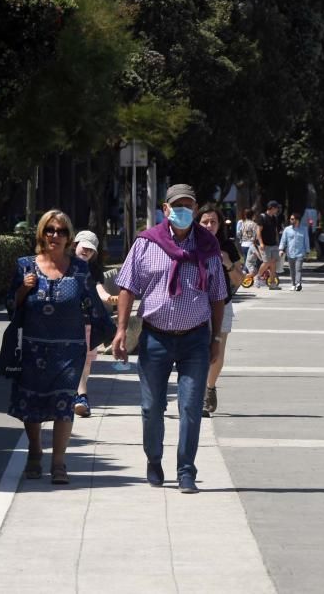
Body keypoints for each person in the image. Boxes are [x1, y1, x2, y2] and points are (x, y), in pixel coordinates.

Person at [112, 184, 227, 493]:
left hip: (195, 340)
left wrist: (216, 337)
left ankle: (186, 470)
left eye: (188, 205)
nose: (182, 211)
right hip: (155, 338)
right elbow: (127, 286)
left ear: (196, 208)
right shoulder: (147, 244)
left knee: (191, 407)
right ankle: (154, 459)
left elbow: (217, 295)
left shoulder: (208, 246)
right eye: (177, 206)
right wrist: (122, 329)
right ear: (165, 209)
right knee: (152, 408)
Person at [6, 211, 114, 484]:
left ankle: (58, 462)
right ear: (41, 233)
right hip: (32, 349)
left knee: (64, 404)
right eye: (50, 230)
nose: (55, 235)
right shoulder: (25, 266)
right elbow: (10, 307)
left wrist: (112, 333)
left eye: (62, 231)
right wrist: (23, 290)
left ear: (69, 236)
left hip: (69, 350)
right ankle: (34, 450)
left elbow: (92, 303)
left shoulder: (79, 268)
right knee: (31, 403)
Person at [196, 204, 241, 418]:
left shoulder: (227, 246)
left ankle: (209, 389)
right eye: (205, 221)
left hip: (222, 304)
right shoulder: (191, 244)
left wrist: (228, 264)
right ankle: (196, 393)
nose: (209, 225)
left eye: (213, 221)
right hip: (195, 305)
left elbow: (240, 280)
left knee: (218, 352)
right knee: (197, 351)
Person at [71, 230, 119, 418]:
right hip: (66, 319)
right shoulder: (64, 264)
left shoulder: (94, 270)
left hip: (88, 319)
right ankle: (81, 396)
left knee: (87, 362)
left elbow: (101, 291)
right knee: (79, 358)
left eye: (91, 250)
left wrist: (111, 298)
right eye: (85, 247)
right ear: (76, 244)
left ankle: (79, 395)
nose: (87, 252)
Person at [279, 212, 310, 291]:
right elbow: (283, 240)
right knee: (292, 270)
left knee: (298, 269)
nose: (290, 220)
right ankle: (293, 284)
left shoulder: (304, 229)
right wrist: (281, 249)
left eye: (292, 219)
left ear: (297, 220)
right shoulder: (287, 229)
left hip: (300, 253)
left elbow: (306, 240)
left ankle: (298, 283)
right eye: (290, 219)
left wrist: (307, 251)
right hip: (290, 253)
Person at [255, 201, 282, 289]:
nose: (277, 210)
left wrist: (278, 242)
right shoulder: (262, 217)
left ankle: (273, 283)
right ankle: (258, 277)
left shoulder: (274, 218)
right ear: (272, 208)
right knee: (266, 262)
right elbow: (258, 231)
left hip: (273, 244)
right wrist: (261, 243)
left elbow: (275, 231)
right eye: (276, 208)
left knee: (273, 263)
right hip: (265, 244)